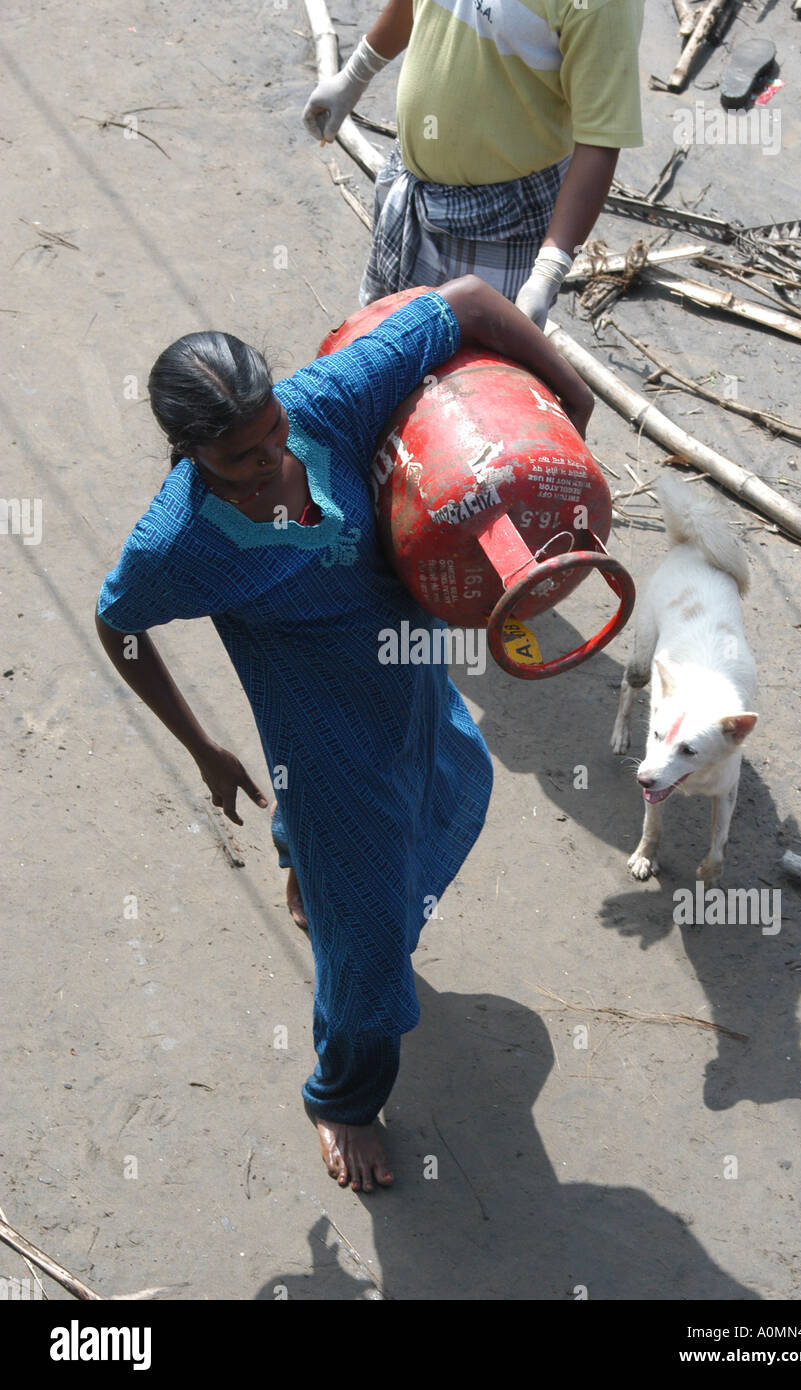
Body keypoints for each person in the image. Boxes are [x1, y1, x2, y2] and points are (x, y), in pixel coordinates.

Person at [95, 276, 593, 1193]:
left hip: (411, 688)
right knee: (367, 961)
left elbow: (473, 301)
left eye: (275, 432)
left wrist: (572, 397)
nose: (273, 459)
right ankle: (343, 1097)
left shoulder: (322, 401)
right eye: (243, 457)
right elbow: (116, 624)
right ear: (190, 452)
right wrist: (202, 747)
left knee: (454, 785)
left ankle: (306, 864)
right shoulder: (177, 546)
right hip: (324, 748)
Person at [302, 0, 644, 326]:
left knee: (456, 378)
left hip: (499, 222)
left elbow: (599, 141)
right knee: (379, 345)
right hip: (407, 183)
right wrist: (355, 75)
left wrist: (547, 272)